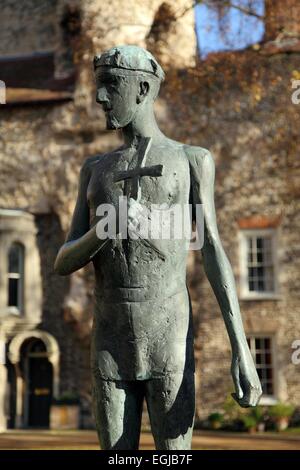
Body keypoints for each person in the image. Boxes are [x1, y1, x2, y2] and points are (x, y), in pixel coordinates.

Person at [54, 45, 262, 450]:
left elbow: (212, 250)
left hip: (168, 334)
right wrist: (103, 231)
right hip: (110, 340)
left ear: (143, 87)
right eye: (99, 86)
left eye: (111, 85)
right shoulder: (95, 170)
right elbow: (63, 261)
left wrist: (242, 349)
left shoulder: (191, 160)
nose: (99, 97)